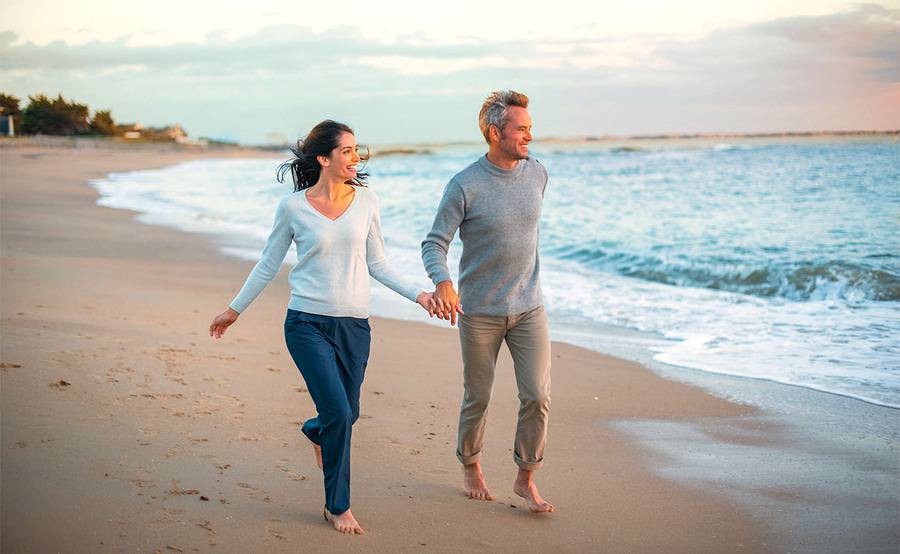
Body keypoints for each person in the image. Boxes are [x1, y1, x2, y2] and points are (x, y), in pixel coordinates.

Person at [210, 120, 435, 534]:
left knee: (344, 417)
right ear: (323, 158)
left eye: (356, 150)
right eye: (347, 151)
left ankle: (315, 432)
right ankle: (338, 506)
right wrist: (234, 309)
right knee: (338, 411)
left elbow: (378, 264)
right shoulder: (293, 208)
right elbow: (268, 264)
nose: (355, 157)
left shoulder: (367, 201)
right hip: (306, 324)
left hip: (354, 326)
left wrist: (420, 295)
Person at [421, 90, 554, 513]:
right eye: (521, 129)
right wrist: (443, 283)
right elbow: (434, 242)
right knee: (478, 396)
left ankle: (525, 475)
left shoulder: (537, 174)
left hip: (530, 306)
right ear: (495, 133)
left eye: (530, 128)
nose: (529, 136)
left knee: (537, 395)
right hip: (479, 311)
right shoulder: (464, 184)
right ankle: (471, 464)